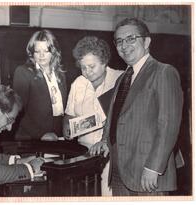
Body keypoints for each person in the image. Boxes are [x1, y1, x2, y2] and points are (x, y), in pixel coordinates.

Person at [90, 18, 183, 196]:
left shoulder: (164, 72)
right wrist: (105, 141)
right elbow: (115, 117)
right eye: (119, 41)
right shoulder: (122, 78)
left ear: (147, 41)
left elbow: (168, 125)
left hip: (147, 173)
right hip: (119, 172)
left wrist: (154, 168)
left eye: (131, 38)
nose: (124, 45)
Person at [63, 36, 123, 196]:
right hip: (84, 154)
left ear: (104, 62)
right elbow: (68, 115)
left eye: (91, 66)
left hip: (113, 154)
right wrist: (67, 129)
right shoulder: (78, 83)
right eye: (83, 68)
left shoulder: (120, 79)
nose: (87, 72)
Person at [13, 29, 67, 141]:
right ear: (32, 53)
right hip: (32, 138)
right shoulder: (23, 72)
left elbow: (61, 110)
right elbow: (17, 111)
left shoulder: (60, 75)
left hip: (57, 136)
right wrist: (40, 134)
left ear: (53, 51)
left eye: (46, 51)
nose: (41, 55)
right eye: (37, 51)